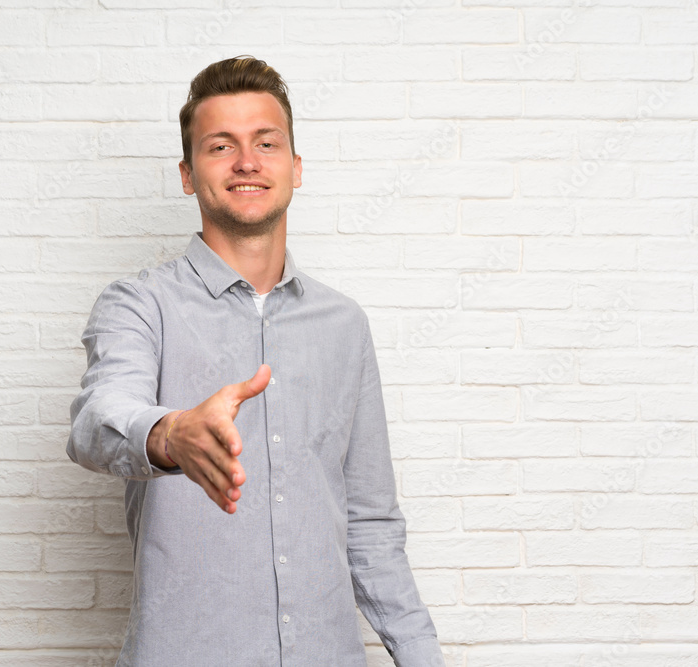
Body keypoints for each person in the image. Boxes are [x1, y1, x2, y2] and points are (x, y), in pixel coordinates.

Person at [67, 55, 443, 667]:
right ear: (188, 175)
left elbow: (371, 522)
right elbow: (96, 420)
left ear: (295, 166)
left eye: (266, 143)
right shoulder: (139, 304)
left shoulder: (344, 324)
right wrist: (172, 434)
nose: (247, 161)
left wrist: (422, 656)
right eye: (221, 146)